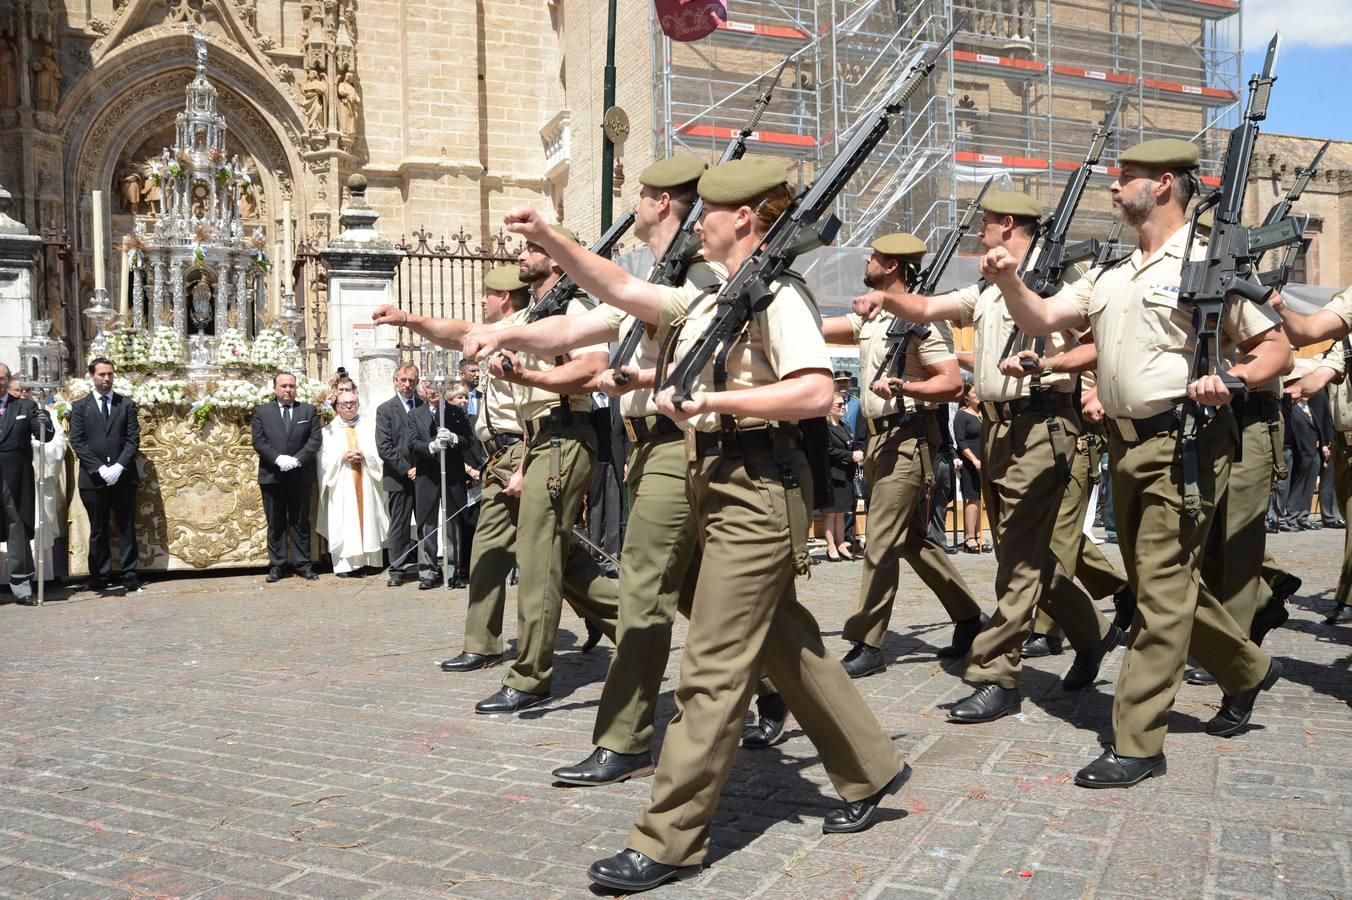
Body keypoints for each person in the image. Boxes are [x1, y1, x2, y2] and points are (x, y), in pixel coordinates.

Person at [503, 156, 909, 891]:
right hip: (713, 480)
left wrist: (719, 407)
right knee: (783, 641)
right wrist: (555, 240)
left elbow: (816, 392)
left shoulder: (776, 296)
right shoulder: (714, 295)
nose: (699, 222)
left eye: (710, 213)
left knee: (714, 668)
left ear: (743, 217)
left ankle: (668, 839)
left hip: (757, 488)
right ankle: (870, 766)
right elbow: (620, 288)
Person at [461, 155, 788, 788]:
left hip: (680, 443)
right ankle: (778, 685)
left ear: (665, 203)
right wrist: (504, 336)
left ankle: (625, 737)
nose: (633, 203)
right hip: (647, 447)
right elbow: (584, 320)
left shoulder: (700, 278)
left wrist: (552, 239)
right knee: (691, 592)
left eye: (642, 194)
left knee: (642, 590)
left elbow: (613, 297)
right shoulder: (665, 273)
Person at [976, 137, 1290, 787]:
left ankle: (1138, 739)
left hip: (1185, 443)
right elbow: (1041, 315)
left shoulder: (1207, 265)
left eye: (1129, 179)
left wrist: (1230, 382)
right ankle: (1247, 670)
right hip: (1123, 443)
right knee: (1159, 584)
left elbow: (1275, 350)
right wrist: (1008, 277)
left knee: (1162, 591)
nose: (1115, 189)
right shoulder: (1113, 275)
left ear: (1167, 186)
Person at [855, 191, 1119, 724]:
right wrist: (887, 303)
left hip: (1043, 424)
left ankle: (995, 672)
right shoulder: (986, 290)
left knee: (1017, 559)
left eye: (985, 226)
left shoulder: (1064, 283)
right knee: (1029, 557)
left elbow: (1097, 343)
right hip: (999, 431)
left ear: (1006, 225)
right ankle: (1091, 635)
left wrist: (1051, 363)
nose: (979, 233)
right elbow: (929, 307)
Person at [372, 265, 618, 682]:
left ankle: (626, 624)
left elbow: (577, 378)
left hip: (526, 448)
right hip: (507, 454)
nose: (482, 302)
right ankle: (487, 642)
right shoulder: (511, 328)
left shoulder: (547, 319)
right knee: (508, 552)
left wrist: (523, 463)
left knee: (545, 555)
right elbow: (453, 331)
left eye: (487, 294)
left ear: (504, 298)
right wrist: (408, 320)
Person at [818, 232, 987, 676]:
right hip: (878, 440)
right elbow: (822, 329)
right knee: (911, 539)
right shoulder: (876, 318)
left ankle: (867, 641)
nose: (868, 261)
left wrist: (904, 387)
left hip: (909, 439)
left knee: (881, 538)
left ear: (892, 266)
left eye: (875, 257)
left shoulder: (922, 323)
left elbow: (950, 382)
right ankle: (970, 617)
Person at [68, 358, 142, 592]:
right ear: (92, 376)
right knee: (98, 529)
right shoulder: (80, 407)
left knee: (125, 526)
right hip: (93, 479)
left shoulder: (126, 405)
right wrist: (99, 468)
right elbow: (77, 441)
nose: (106, 379)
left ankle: (129, 573)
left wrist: (119, 466)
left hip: (123, 477)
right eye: (102, 374)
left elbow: (133, 439)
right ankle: (100, 574)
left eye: (110, 374)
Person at [251, 371, 322, 582]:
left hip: (300, 475)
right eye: (283, 386)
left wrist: (298, 459)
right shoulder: (263, 412)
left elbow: (314, 440)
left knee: (300, 521)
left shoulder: (307, 410)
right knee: (276, 522)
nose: (288, 390)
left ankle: (303, 564)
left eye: (291, 386)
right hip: (272, 475)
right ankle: (277, 565)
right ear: (275, 389)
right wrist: (277, 458)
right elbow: (259, 440)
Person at [409, 383, 473, 588]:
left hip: (452, 475)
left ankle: (453, 570)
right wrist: (430, 446)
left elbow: (468, 439)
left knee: (452, 523)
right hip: (428, 476)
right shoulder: (415, 414)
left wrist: (454, 438)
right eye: (428, 386)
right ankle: (427, 571)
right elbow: (411, 443)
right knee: (427, 524)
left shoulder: (455, 412)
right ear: (422, 391)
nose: (432, 390)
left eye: (435, 386)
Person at [318, 389, 388, 575]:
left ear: (358, 405)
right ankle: (346, 565)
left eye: (353, 403)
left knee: (369, 518)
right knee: (344, 521)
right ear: (337, 408)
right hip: (342, 484)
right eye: (344, 404)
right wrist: (341, 457)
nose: (349, 407)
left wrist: (365, 455)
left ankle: (370, 562)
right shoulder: (328, 431)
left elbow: (380, 452)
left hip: (367, 480)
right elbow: (323, 460)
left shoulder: (369, 427)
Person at [0, 363, 54, 604]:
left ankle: (22, 587)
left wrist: (46, 421)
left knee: (17, 529)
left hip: (15, 477)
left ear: (8, 380)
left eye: (1, 378)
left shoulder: (25, 406)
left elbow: (45, 435)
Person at [375, 364, 424, 586]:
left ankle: (427, 567)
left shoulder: (423, 406)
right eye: (403, 380)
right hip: (398, 477)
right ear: (395, 381)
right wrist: (407, 469)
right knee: (399, 525)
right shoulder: (385, 410)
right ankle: (397, 569)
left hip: (424, 476)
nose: (407, 385)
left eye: (412, 381)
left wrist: (421, 468)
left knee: (426, 523)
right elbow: (384, 447)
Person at [821, 392, 857, 561]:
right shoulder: (825, 428)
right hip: (831, 475)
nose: (843, 407)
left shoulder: (845, 427)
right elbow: (827, 450)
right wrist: (850, 456)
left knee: (841, 513)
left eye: (844, 404)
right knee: (830, 513)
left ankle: (841, 543)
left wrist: (858, 454)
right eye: (839, 405)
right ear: (829, 408)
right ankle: (830, 546)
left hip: (845, 475)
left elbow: (852, 445)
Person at [953, 381, 984, 552]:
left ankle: (979, 534)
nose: (977, 395)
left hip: (984, 461)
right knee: (972, 497)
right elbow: (961, 441)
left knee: (981, 498)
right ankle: (969, 537)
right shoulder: (962, 415)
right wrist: (974, 459)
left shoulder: (982, 413)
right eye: (974, 392)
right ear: (966, 396)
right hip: (970, 462)